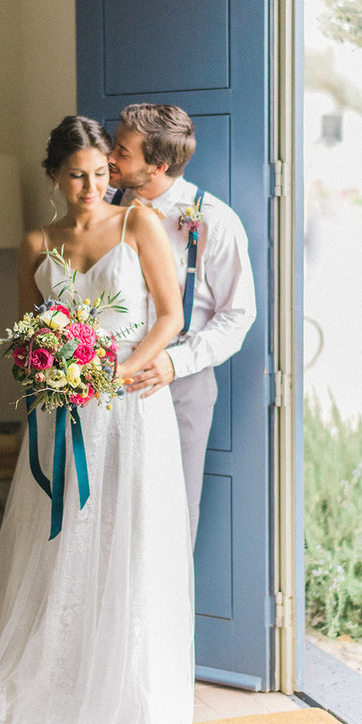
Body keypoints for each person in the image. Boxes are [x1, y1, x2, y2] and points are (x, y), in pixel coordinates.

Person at [0, 116, 197, 724]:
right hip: (58, 414)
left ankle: (121, 695)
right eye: (77, 174)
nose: (92, 185)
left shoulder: (138, 224)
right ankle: (47, 689)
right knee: (58, 547)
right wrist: (46, 367)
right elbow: (25, 334)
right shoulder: (36, 241)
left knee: (124, 541)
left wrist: (113, 375)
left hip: (126, 411)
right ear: (54, 177)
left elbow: (171, 315)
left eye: (101, 172)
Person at [107, 104, 256, 545]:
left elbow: (239, 315)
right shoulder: (105, 209)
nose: (109, 158)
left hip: (181, 386)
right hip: (110, 380)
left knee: (173, 512)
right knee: (108, 510)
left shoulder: (215, 220)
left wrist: (176, 363)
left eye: (121, 151)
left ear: (158, 165)